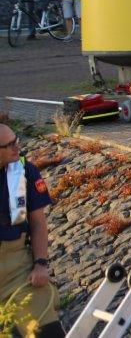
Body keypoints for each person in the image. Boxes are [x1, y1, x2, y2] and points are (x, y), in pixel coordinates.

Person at [0, 124, 65, 337]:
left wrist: (40, 264)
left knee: (46, 330)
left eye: (16, 140)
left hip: (17, 269)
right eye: (8, 145)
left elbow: (38, 223)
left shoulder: (24, 171)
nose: (16, 147)